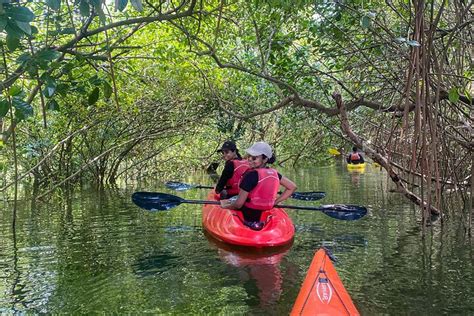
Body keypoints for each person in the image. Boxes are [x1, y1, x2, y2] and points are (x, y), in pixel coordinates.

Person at [220, 141, 297, 230]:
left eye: (254, 158)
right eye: (249, 156)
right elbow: (292, 187)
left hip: (249, 213)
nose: (249, 159)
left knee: (227, 199)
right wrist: (275, 202)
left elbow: (238, 204)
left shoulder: (250, 175)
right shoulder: (275, 173)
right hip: (263, 211)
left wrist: (224, 206)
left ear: (265, 159)